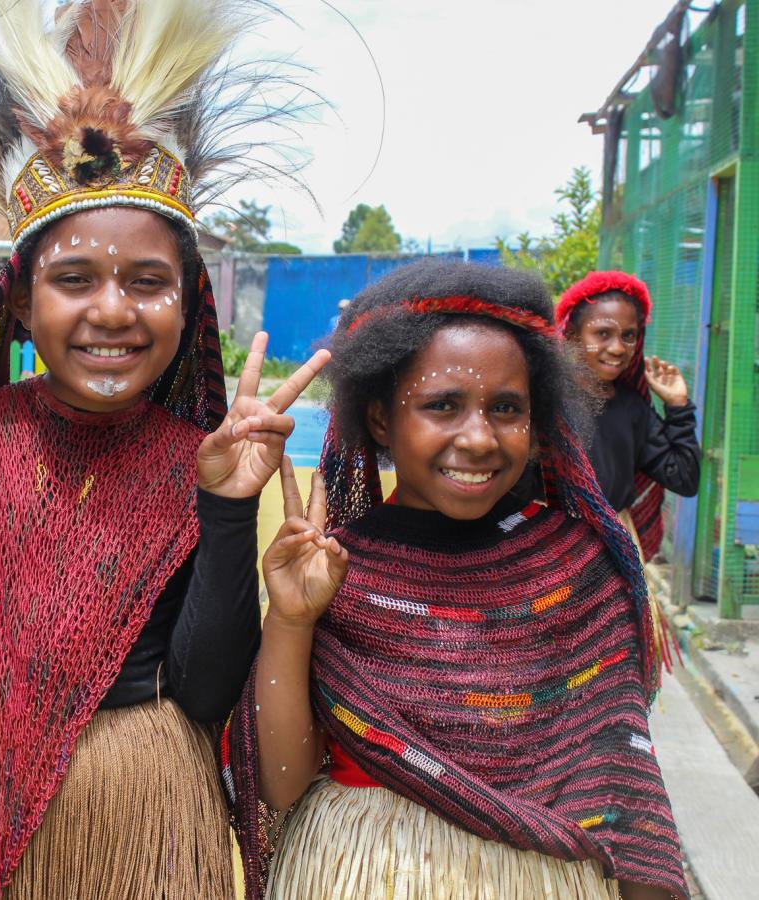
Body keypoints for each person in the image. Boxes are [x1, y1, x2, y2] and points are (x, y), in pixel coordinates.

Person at [0, 2, 323, 897]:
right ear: (22, 303)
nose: (112, 310)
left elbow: (204, 696)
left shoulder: (202, 460)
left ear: (188, 307)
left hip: (152, 825)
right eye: (74, 280)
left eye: (149, 283)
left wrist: (224, 513)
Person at [224, 259, 688, 900]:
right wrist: (292, 621)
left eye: (506, 408)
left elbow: (628, 806)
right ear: (381, 419)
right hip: (360, 874)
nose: (478, 438)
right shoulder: (334, 569)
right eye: (442, 405)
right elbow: (283, 782)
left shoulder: (577, 574)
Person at [558, 271, 700, 563]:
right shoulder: (546, 400)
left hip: (613, 555)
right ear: (572, 335)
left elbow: (684, 478)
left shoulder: (633, 410)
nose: (618, 348)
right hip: (550, 547)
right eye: (603, 334)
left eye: (628, 336)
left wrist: (678, 407)